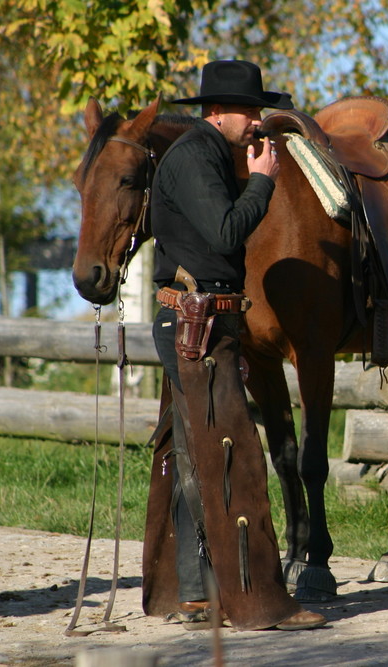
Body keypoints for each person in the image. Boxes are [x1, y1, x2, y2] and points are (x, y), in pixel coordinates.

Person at [144, 59, 325, 631]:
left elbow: (214, 252)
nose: (256, 123)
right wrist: (266, 180)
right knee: (234, 461)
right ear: (217, 112)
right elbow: (227, 232)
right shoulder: (196, 157)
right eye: (248, 113)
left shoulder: (207, 154)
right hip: (195, 324)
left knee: (200, 458)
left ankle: (196, 593)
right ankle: (261, 604)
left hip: (206, 323)